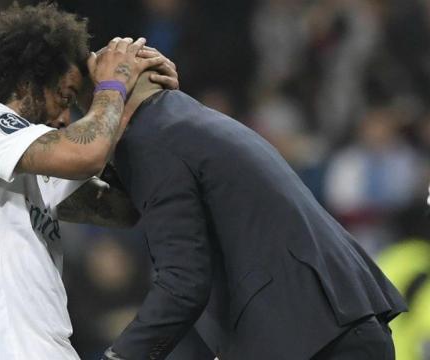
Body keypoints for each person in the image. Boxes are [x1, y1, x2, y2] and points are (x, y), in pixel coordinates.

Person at [0, 3, 179, 359]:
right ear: (27, 85)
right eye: (64, 97)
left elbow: (125, 208)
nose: (65, 117)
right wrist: (112, 85)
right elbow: (86, 152)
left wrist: (132, 107)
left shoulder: (24, 169)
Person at [96, 73, 407, 360]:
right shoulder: (190, 124)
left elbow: (184, 283)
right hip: (329, 328)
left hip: (317, 338)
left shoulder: (153, 141)